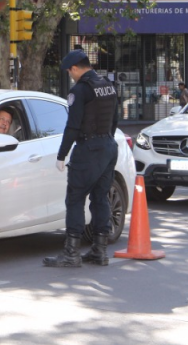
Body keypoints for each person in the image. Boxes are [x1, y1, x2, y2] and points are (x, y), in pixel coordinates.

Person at [44, 49, 119, 268]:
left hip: (89, 148)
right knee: (100, 198)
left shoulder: (80, 90)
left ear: (75, 68)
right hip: (108, 147)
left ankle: (71, 254)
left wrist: (61, 154)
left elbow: (73, 127)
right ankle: (100, 251)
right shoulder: (108, 85)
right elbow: (115, 119)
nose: (70, 75)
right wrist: (106, 142)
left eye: (69, 71)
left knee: (75, 199)